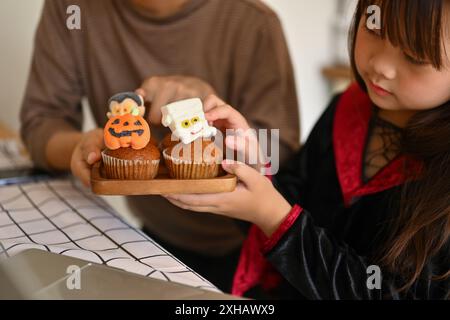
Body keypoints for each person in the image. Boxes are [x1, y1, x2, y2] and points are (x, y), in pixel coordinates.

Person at [163, 0, 450, 299]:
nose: (381, 66)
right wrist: (253, 163)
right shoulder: (346, 108)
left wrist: (274, 216)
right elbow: (292, 201)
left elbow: (388, 291)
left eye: (414, 57)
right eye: (375, 28)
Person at [19, 0, 300, 291]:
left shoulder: (254, 22)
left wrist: (206, 116)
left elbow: (279, 158)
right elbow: (41, 122)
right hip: (148, 240)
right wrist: (81, 146)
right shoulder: (70, 9)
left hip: (249, 255)